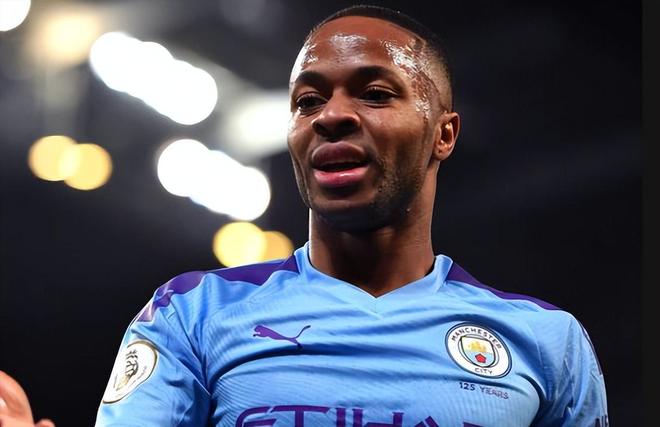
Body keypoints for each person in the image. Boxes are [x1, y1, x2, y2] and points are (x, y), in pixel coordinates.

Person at [1, 5, 609, 427]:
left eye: (375, 93)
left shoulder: (546, 343)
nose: (330, 116)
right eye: (308, 100)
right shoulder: (191, 314)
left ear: (443, 134)